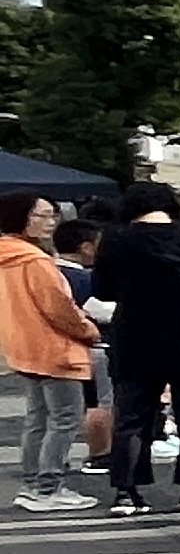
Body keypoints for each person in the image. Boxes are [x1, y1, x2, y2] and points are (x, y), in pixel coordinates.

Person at [93, 182, 180, 515]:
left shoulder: (116, 240)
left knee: (132, 416)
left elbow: (104, 289)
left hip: (136, 336)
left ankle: (127, 492)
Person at [3, 192, 101, 511]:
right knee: (64, 419)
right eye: (42, 215)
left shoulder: (8, 255)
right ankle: (48, 487)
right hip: (57, 349)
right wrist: (89, 330)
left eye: (52, 215)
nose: (50, 222)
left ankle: (32, 485)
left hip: (23, 346)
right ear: (22, 217)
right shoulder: (35, 260)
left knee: (38, 420)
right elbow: (60, 308)